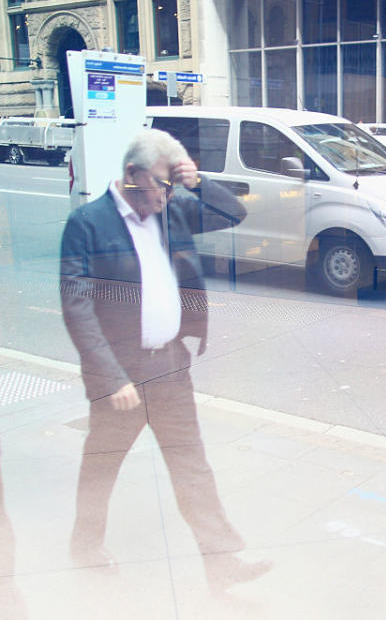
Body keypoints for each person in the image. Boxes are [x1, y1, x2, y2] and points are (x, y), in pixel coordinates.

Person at [59, 128, 268, 588]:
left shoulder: (171, 210)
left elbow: (232, 212)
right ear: (132, 175)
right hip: (120, 375)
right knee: (102, 464)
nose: (167, 193)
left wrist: (197, 182)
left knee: (191, 465)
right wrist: (111, 378)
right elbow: (77, 307)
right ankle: (85, 544)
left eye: (173, 185)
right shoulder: (88, 224)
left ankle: (221, 564)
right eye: (161, 182)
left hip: (170, 367)